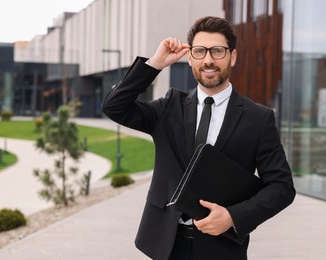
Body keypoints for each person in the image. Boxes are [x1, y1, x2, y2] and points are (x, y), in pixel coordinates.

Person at [102, 16, 295, 260]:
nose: (208, 60)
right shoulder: (169, 107)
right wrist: (154, 64)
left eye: (217, 51)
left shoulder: (259, 118)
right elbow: (114, 107)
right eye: (200, 51)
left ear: (232, 57)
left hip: (222, 249)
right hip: (166, 245)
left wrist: (233, 217)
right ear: (190, 57)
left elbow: (282, 187)